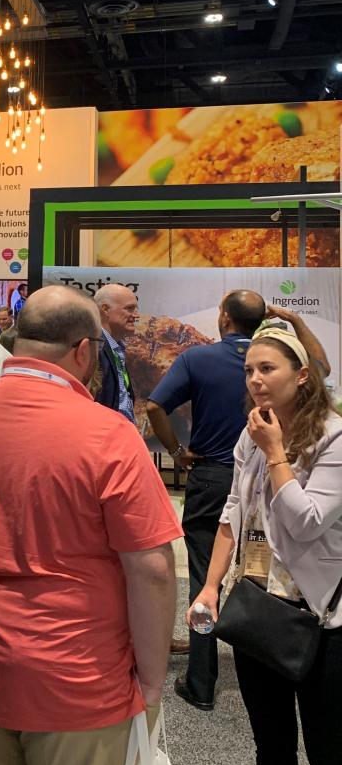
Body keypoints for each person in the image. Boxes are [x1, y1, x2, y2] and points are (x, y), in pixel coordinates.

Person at [0, 286, 180, 765]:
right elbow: (151, 567)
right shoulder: (107, 433)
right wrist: (151, 679)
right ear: (84, 351)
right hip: (79, 673)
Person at [188, 322, 342, 765]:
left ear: (302, 376)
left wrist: (277, 453)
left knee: (329, 754)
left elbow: (305, 522)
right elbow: (232, 512)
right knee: (271, 747)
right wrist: (209, 586)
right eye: (249, 370)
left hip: (321, 620)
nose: (254, 379)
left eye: (268, 369)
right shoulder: (251, 433)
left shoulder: (331, 437)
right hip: (259, 610)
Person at [146, 289, 266, 710]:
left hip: (212, 478)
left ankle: (201, 683)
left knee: (203, 575)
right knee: (262, 575)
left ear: (225, 318)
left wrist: (177, 452)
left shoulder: (197, 358)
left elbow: (155, 406)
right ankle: (269, 672)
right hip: (267, 479)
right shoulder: (275, 362)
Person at [93, 283, 139, 424]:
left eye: (136, 309)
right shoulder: (93, 348)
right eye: (129, 308)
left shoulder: (118, 348)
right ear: (105, 309)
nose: (136, 315)